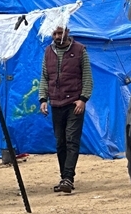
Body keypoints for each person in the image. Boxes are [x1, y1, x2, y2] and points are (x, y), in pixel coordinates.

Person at [39, 25, 93, 194]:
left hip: (74, 103)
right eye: (54, 33)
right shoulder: (48, 51)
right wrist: (43, 99)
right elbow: (44, 77)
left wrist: (83, 99)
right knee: (60, 142)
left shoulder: (79, 50)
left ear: (68, 32)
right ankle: (65, 178)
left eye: (60, 32)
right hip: (56, 103)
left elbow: (87, 77)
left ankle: (68, 177)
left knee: (72, 139)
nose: (57, 36)